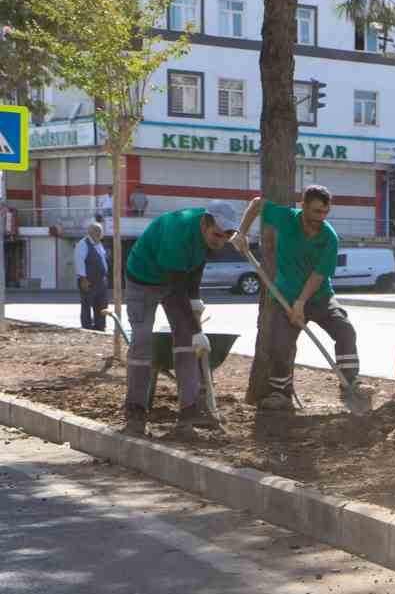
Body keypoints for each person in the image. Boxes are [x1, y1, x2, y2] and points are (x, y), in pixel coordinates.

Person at [232, 187, 362, 411]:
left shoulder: (329, 237)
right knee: (280, 345)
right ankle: (281, 393)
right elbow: (256, 204)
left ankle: (350, 382)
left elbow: (319, 274)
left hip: (319, 297)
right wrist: (241, 233)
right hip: (284, 297)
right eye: (315, 211)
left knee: (345, 329)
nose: (319, 218)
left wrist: (301, 303)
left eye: (324, 212)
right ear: (303, 206)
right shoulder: (286, 218)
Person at [122, 201, 238, 436]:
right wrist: (197, 330)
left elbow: (195, 267)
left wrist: (195, 298)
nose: (220, 241)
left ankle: (188, 413)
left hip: (173, 280)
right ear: (205, 223)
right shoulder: (178, 232)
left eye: (226, 236)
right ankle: (135, 412)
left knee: (185, 341)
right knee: (143, 339)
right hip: (143, 279)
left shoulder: (208, 236)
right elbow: (175, 291)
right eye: (216, 235)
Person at [75, 219, 109, 331]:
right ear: (90, 232)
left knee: (101, 304)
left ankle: (100, 326)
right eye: (96, 231)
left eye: (100, 231)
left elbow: (102, 261)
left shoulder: (99, 244)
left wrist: (104, 276)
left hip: (100, 281)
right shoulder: (83, 244)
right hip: (88, 280)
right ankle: (87, 327)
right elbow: (79, 261)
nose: (99, 233)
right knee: (87, 304)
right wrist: (83, 279)